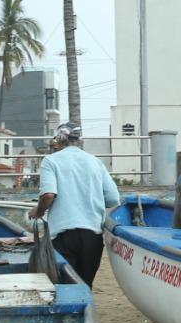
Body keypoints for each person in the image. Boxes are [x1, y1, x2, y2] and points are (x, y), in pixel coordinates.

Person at [31, 123, 120, 288]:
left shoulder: (50, 161)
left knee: (66, 286)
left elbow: (48, 195)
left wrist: (39, 210)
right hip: (92, 235)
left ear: (58, 141)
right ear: (79, 140)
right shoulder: (95, 162)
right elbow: (113, 199)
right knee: (85, 286)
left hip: (62, 236)